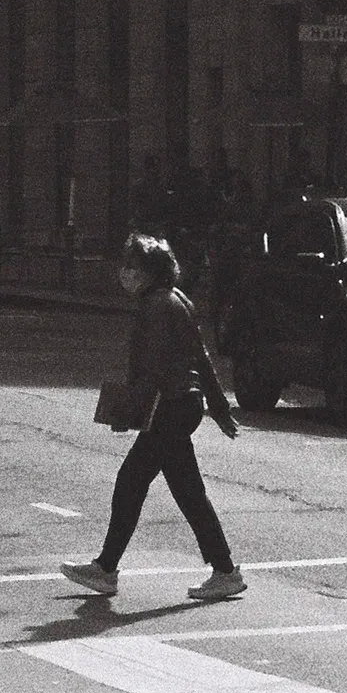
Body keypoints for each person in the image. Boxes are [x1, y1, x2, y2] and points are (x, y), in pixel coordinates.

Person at [63, 233, 246, 604]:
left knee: (134, 484)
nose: (124, 273)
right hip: (182, 405)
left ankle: (108, 569)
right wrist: (219, 407)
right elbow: (202, 359)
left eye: (131, 266)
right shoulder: (177, 300)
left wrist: (130, 412)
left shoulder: (156, 307)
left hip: (168, 407)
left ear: (147, 271)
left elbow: (152, 372)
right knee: (183, 491)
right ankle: (223, 570)